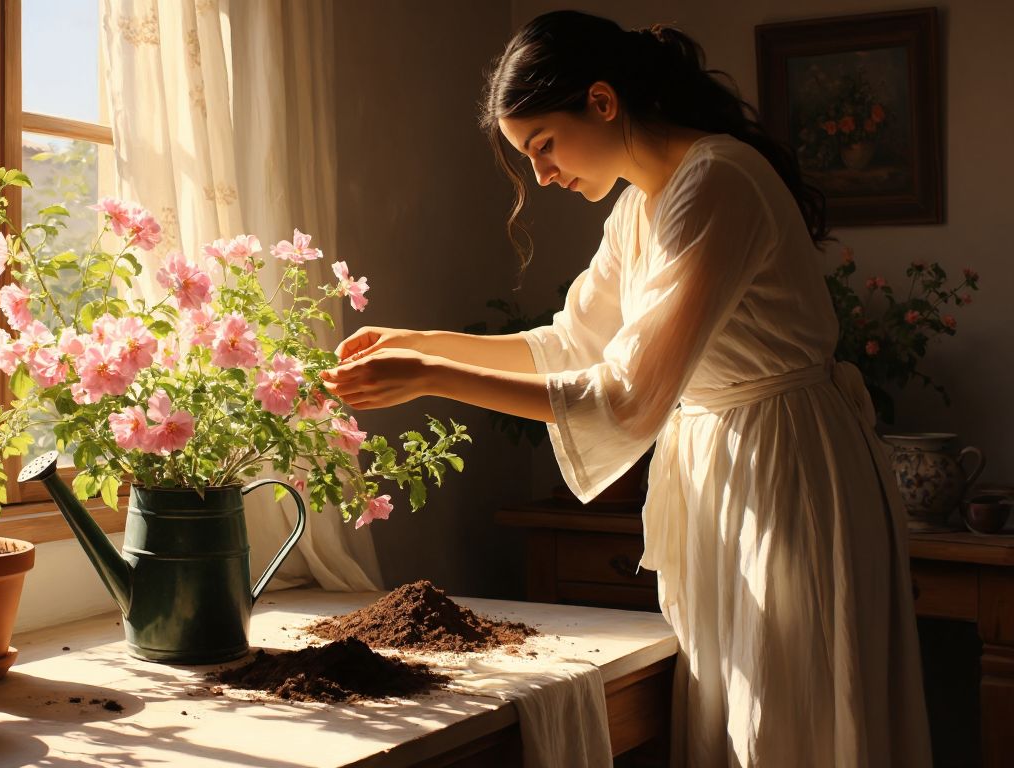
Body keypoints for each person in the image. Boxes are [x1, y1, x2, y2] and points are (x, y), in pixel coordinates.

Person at [319, 10, 931, 767]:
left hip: (787, 468)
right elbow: (570, 343)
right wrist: (419, 341)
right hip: (725, 466)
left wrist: (432, 378)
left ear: (603, 102)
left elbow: (632, 395)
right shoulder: (642, 204)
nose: (540, 174)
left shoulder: (717, 181)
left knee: (787, 718)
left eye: (543, 144)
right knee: (740, 710)